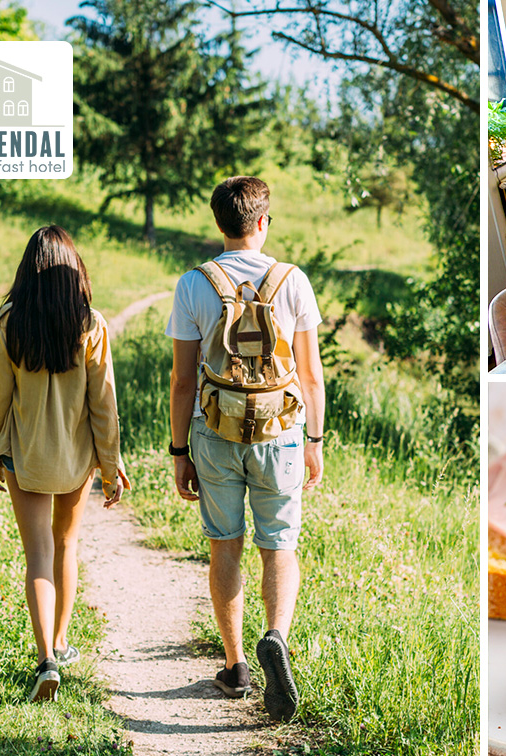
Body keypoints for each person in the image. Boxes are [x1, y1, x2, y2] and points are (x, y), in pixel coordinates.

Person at [165, 176, 325, 720]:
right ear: (262, 222)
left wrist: (179, 451)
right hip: (280, 432)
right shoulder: (292, 281)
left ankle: (235, 667)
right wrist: (314, 440)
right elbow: (310, 375)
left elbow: (182, 381)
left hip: (215, 431)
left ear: (220, 224)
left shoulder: (194, 284)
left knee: (224, 545)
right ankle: (275, 636)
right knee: (279, 544)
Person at [0, 225, 130, 703]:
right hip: (76, 456)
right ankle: (62, 644)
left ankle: (45, 657)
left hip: (25, 454)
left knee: (37, 555)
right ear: (74, 271)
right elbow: (103, 403)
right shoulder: (91, 323)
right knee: (66, 544)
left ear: (28, 269)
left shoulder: (9, 321)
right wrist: (110, 463)